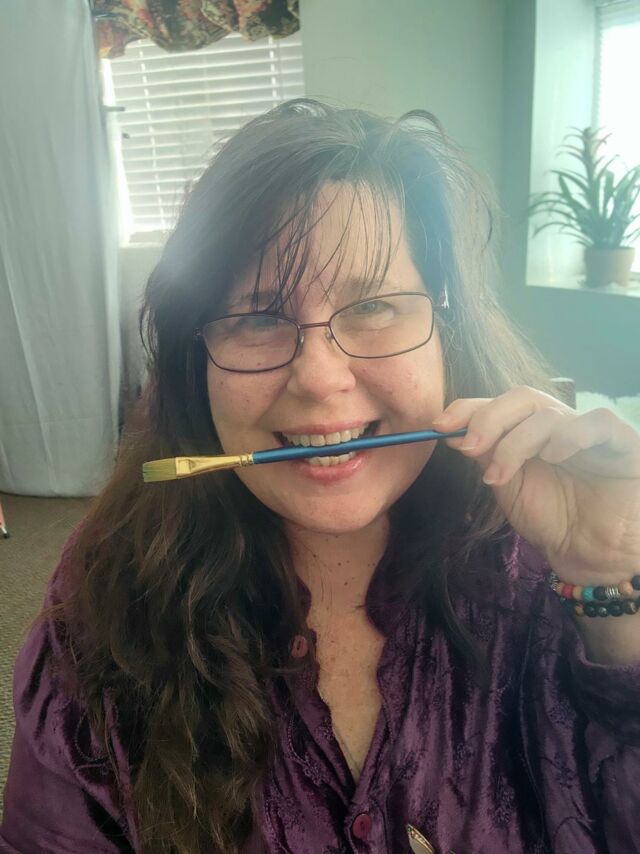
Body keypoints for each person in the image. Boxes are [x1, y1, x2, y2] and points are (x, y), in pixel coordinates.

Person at [1, 98, 640, 854]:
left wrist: (610, 575)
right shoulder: (107, 598)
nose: (319, 378)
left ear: (447, 329)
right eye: (256, 317)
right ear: (195, 361)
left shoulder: (547, 558)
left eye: (374, 305)